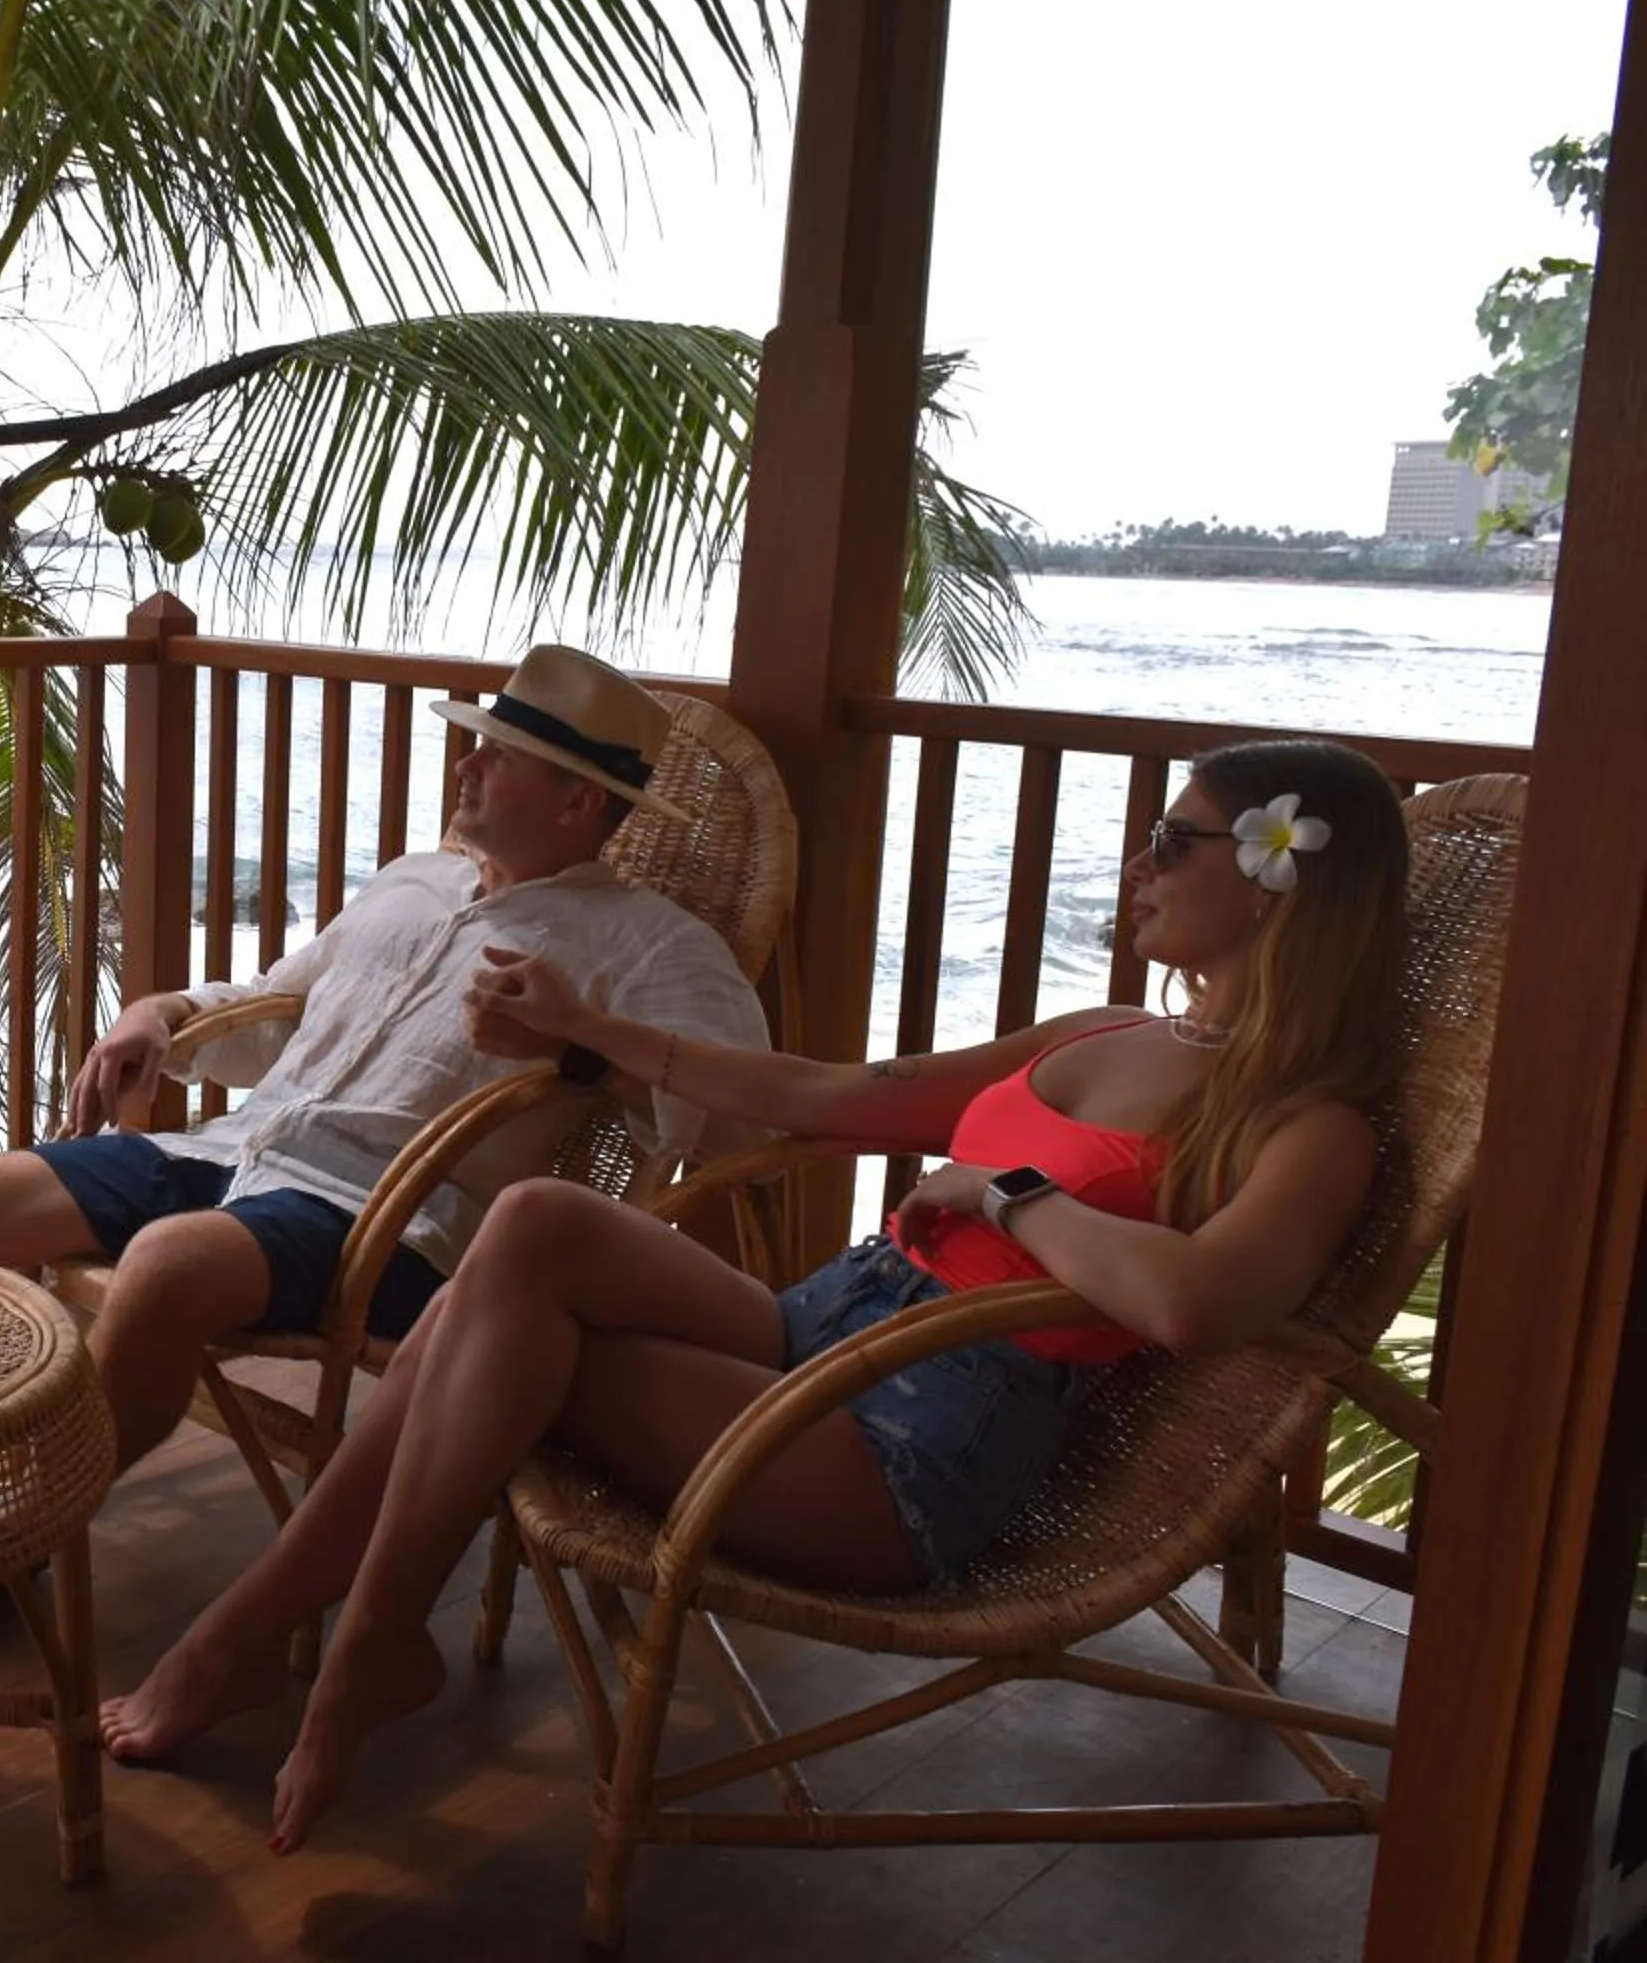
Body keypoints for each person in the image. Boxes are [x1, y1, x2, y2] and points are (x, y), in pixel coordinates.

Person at [94, 736, 1412, 1853]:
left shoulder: (1312, 1128)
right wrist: (593, 1032)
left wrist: (1015, 1198)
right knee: (539, 1228)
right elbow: (840, 1096)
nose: (1139, 866)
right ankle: (327, 1637)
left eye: (1175, 844)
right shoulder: (1105, 1036)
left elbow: (1193, 1306)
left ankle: (297, 1634)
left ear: (1282, 883)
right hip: (831, 1327)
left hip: (918, 1441)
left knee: (485, 1323)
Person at [0, 647, 769, 1472]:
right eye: (476, 748)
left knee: (168, 1267)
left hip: (380, 1227)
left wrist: (576, 1048)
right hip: (228, 1155)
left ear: (578, 802)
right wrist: (161, 1011)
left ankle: (11, 1542)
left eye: (497, 758)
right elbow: (280, 1009)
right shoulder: (413, 880)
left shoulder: (656, 947)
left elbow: (738, 1117)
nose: (465, 767)